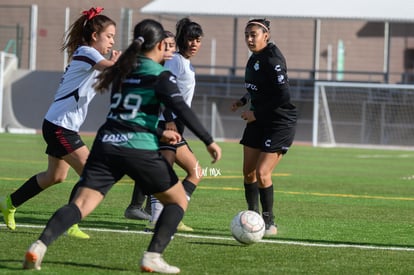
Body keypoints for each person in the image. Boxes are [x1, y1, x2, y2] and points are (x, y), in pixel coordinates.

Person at [22, 18, 221, 274]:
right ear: (160, 44)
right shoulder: (160, 75)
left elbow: (128, 113)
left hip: (106, 144)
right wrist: (209, 141)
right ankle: (152, 256)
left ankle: (40, 245)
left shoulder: (123, 70)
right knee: (178, 201)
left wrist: (160, 131)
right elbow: (181, 109)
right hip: (138, 147)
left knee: (80, 205)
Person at [0, 7, 121, 239]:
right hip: (60, 127)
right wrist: (125, 60)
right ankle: (71, 221)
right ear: (95, 36)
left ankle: (9, 202)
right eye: (109, 36)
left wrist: (115, 66)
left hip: (59, 124)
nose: (112, 41)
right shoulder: (86, 52)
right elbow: (109, 68)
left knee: (55, 177)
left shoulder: (91, 57)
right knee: (90, 172)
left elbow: (107, 75)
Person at [231, 18, 297, 237]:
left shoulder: (273, 59)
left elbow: (283, 95)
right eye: (246, 35)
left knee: (262, 172)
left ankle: (269, 222)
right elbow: (257, 88)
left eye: (254, 34)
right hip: (258, 121)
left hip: (279, 123)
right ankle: (253, 218)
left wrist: (255, 113)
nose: (249, 39)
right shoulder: (254, 58)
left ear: (265, 35)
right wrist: (242, 101)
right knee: (248, 172)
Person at [145, 18, 204, 232]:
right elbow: (162, 91)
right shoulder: (176, 61)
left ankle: (171, 214)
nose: (195, 43)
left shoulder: (185, 63)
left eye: (198, 40)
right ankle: (158, 219)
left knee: (195, 171)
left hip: (177, 126)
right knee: (164, 174)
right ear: (181, 40)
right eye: (190, 39)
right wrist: (169, 120)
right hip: (166, 123)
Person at [123, 30, 176, 221]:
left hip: (161, 124)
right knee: (154, 165)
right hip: (150, 124)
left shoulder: (168, 65)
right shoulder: (154, 68)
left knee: (155, 165)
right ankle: (145, 208)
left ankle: (144, 208)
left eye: (172, 45)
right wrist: (170, 119)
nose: (169, 49)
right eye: (166, 45)